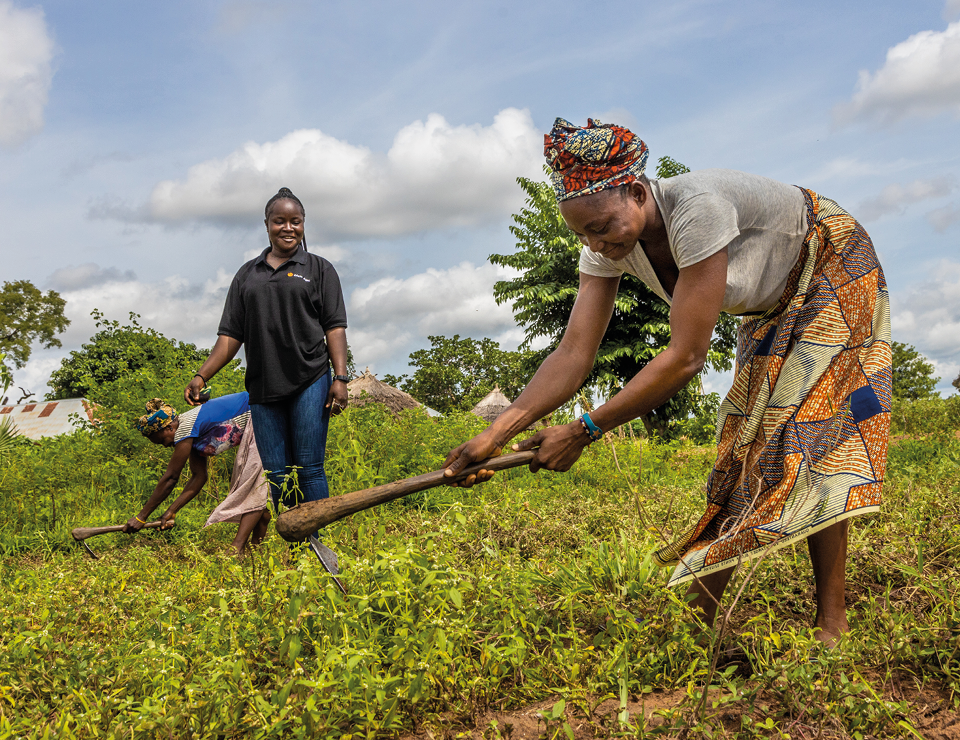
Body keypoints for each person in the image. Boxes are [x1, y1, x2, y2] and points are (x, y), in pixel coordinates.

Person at [443, 118, 891, 646]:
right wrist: (498, 433)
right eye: (582, 233)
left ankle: (828, 622)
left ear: (637, 192)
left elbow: (686, 357)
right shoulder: (604, 246)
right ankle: (703, 609)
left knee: (803, 435)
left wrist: (585, 429)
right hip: (772, 303)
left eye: (602, 226)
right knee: (743, 440)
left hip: (833, 266)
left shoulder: (697, 209)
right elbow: (572, 353)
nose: (595, 243)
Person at [184, 187, 349, 535]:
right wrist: (201, 375)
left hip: (310, 379)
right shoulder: (248, 275)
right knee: (276, 472)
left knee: (308, 467)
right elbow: (230, 337)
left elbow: (334, 327)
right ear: (267, 224)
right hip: (263, 387)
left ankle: (319, 545)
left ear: (303, 225)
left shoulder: (319, 269)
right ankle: (296, 543)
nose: (288, 228)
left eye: (296, 221)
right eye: (280, 221)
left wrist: (340, 377)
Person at [123, 394, 271, 555]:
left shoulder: (185, 428)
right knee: (259, 491)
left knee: (253, 487)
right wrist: (172, 510)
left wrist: (141, 517)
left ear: (169, 428)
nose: (166, 446)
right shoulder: (193, 436)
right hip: (259, 419)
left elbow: (171, 478)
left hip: (262, 410)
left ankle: (236, 549)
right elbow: (199, 477)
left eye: (162, 441)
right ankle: (256, 554)